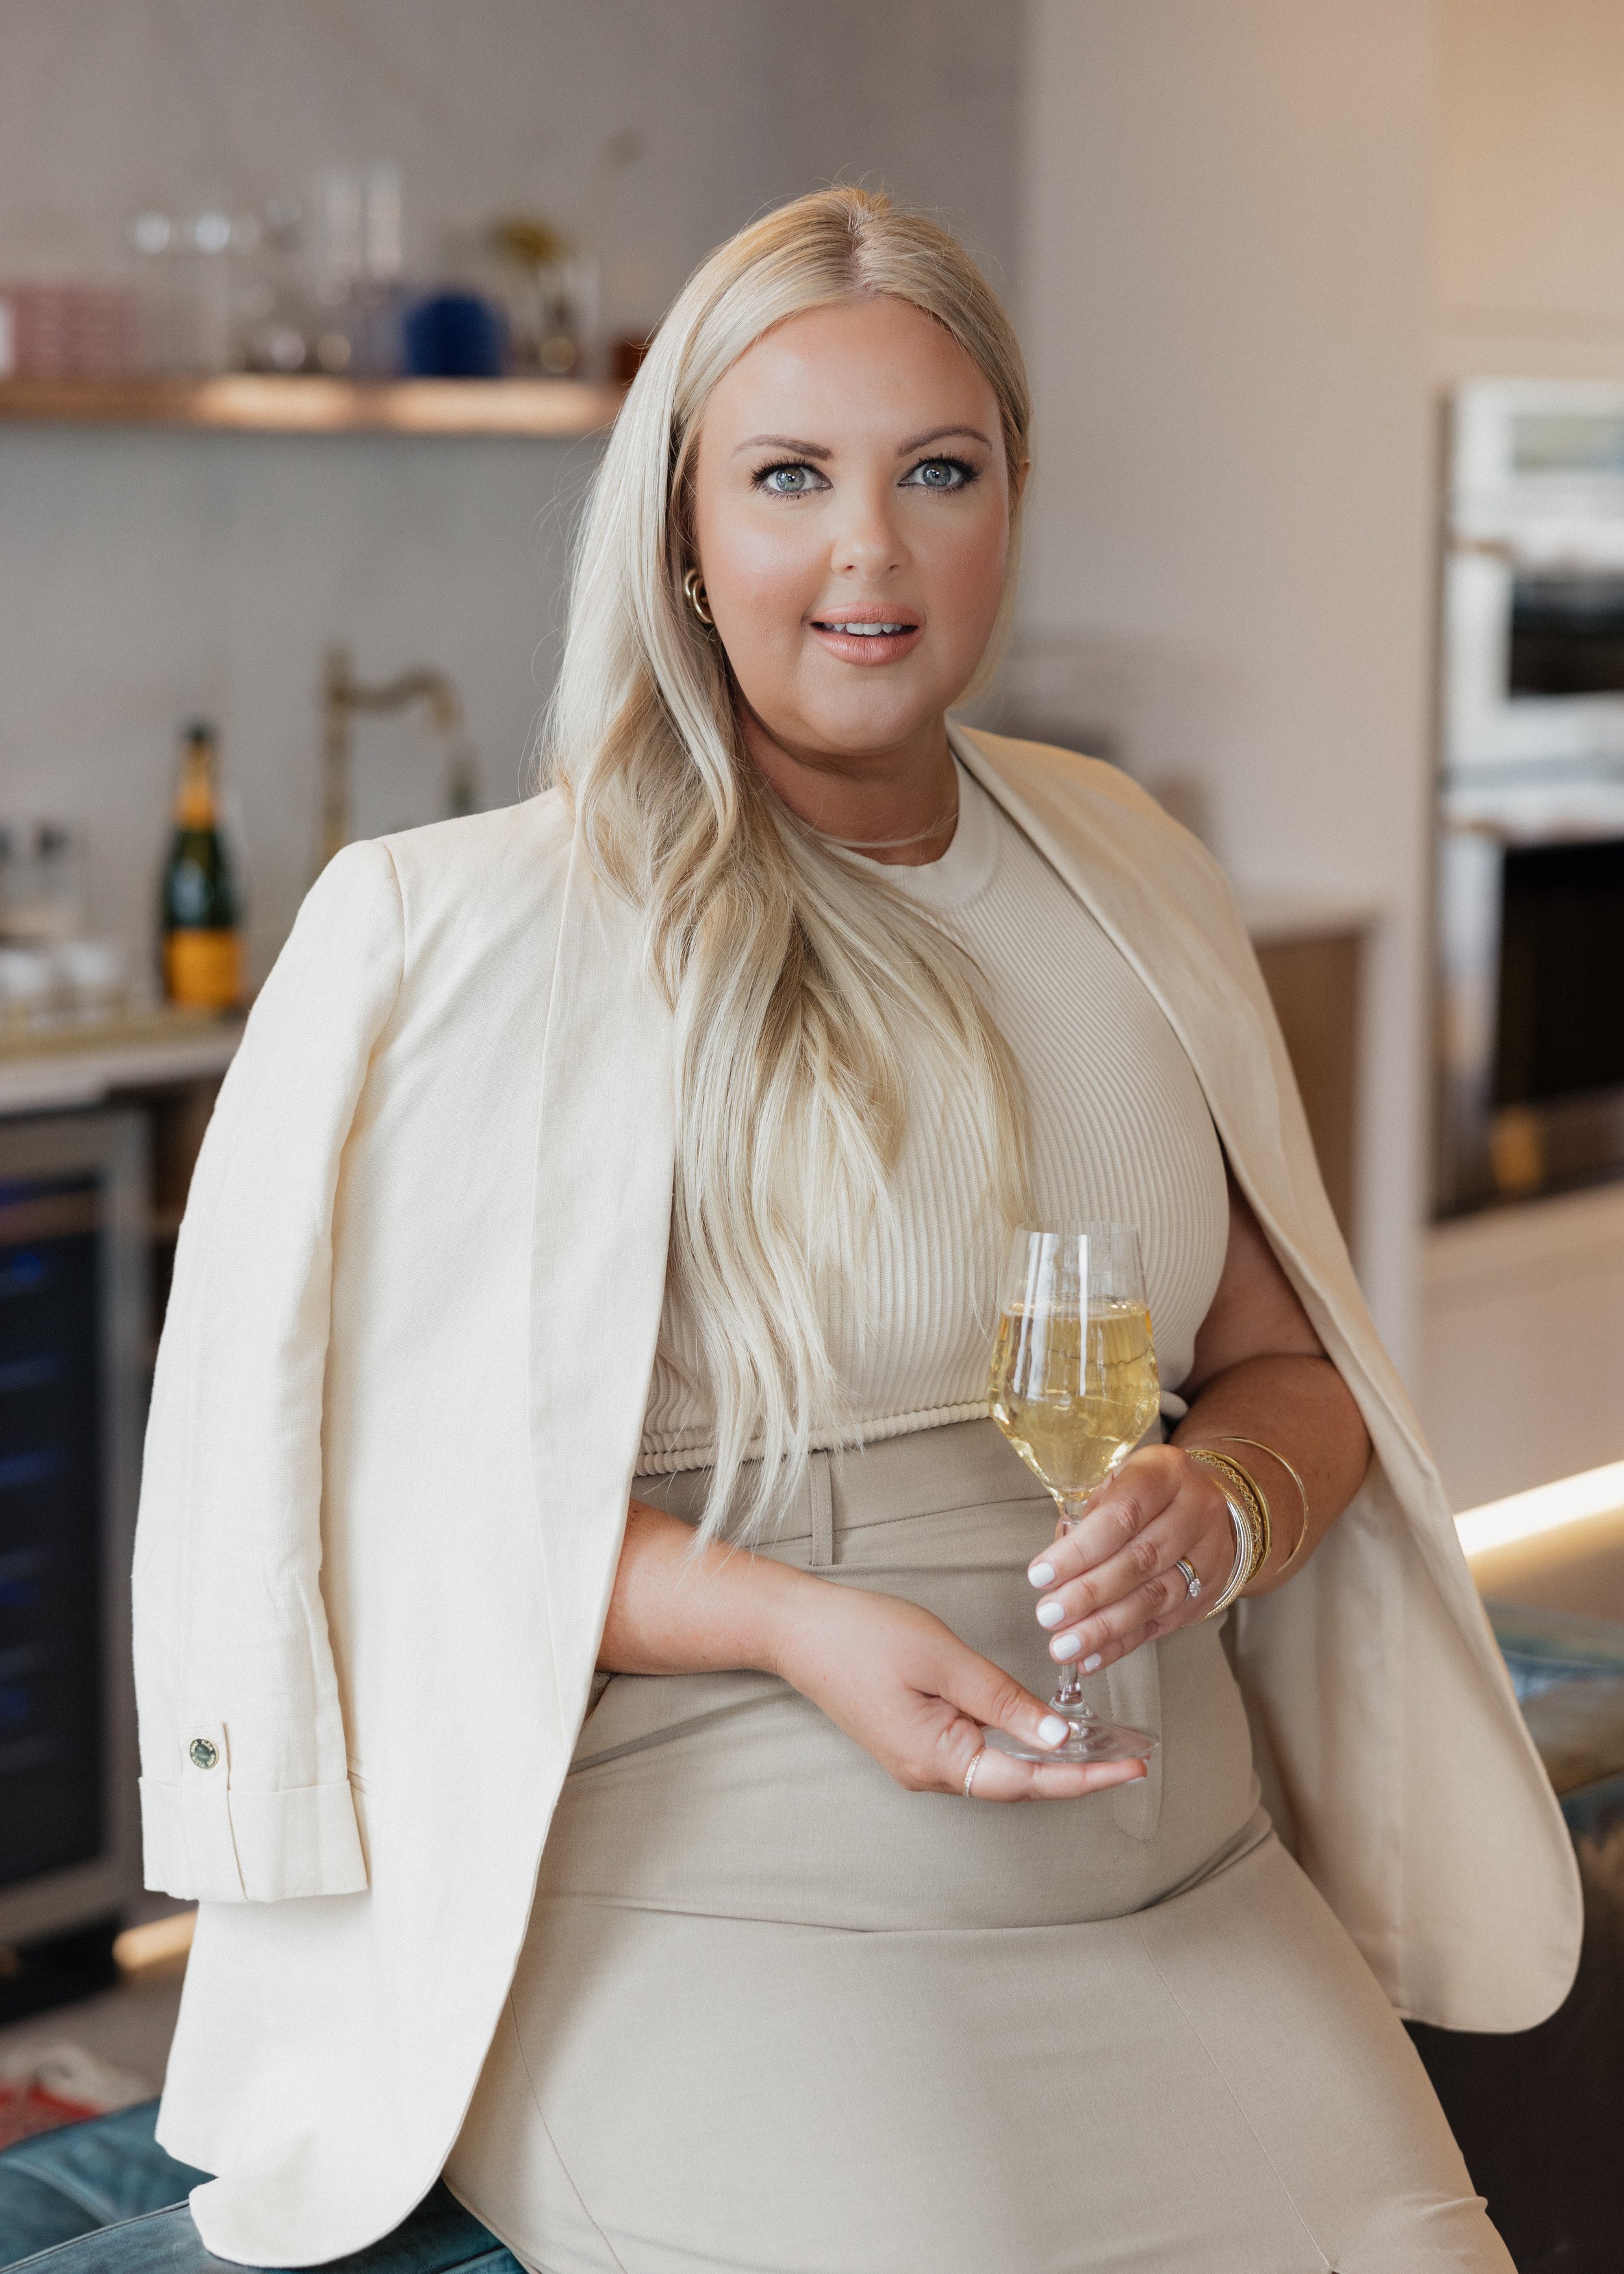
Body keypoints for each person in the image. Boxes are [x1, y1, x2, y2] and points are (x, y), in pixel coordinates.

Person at [132, 189, 1579, 2273]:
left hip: (1179, 1876)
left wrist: (1228, 1502)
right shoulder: (470, 929)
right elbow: (382, 1506)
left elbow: (1286, 1365)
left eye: (936, 474)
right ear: (683, 536)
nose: (867, 556)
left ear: (1010, 499)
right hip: (725, 1886)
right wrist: (784, 1619)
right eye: (789, 478)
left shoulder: (1121, 861)